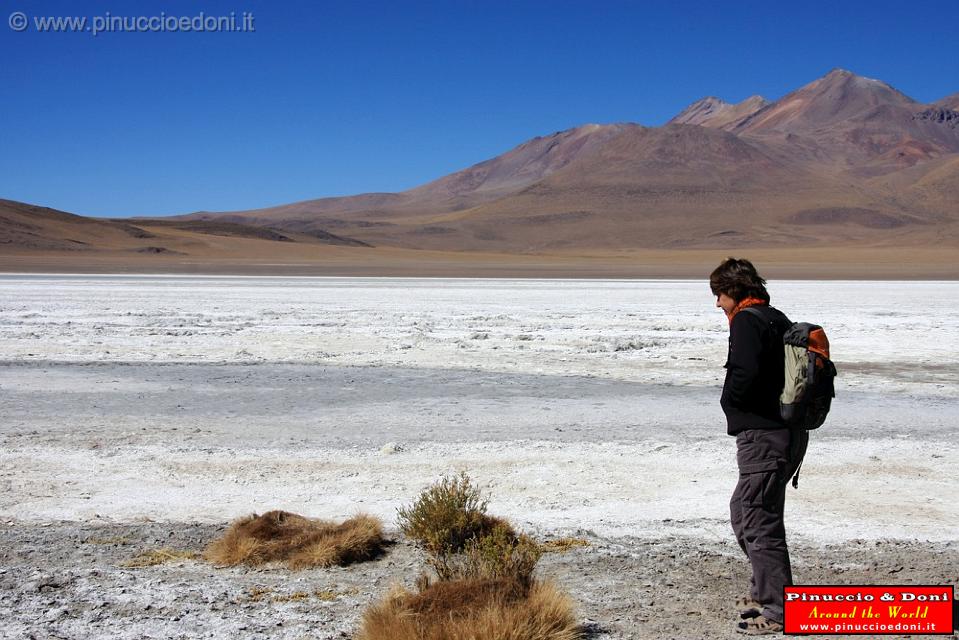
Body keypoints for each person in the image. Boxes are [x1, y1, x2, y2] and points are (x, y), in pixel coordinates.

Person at [710, 258, 807, 635]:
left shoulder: (748, 322)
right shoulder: (774, 317)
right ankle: (761, 590)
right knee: (746, 509)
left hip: (764, 437)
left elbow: (746, 374)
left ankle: (779, 609)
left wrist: (729, 400)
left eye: (719, 294)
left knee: (759, 518)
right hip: (784, 434)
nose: (718, 304)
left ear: (733, 291)